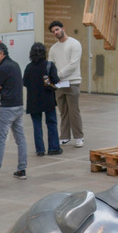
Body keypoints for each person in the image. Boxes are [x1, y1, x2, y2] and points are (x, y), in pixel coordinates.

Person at [0, 42, 28, 181]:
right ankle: (22, 169)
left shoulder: (3, 68)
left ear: (1, 54)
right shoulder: (15, 65)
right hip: (19, 106)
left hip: (8, 107)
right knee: (20, 139)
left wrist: (0, 88)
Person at [48, 20, 84, 148]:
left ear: (63, 28)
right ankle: (64, 137)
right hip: (59, 84)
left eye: (57, 30)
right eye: (53, 32)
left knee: (74, 111)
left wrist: (58, 75)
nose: (55, 33)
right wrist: (52, 79)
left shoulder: (74, 44)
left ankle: (79, 137)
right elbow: (50, 65)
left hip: (72, 82)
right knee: (63, 112)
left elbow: (73, 64)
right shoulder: (53, 48)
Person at [23, 42, 61, 157]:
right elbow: (56, 79)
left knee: (37, 125)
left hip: (33, 100)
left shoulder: (29, 67)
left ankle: (40, 149)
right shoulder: (49, 65)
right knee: (51, 123)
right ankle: (53, 148)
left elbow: (24, 82)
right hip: (47, 98)